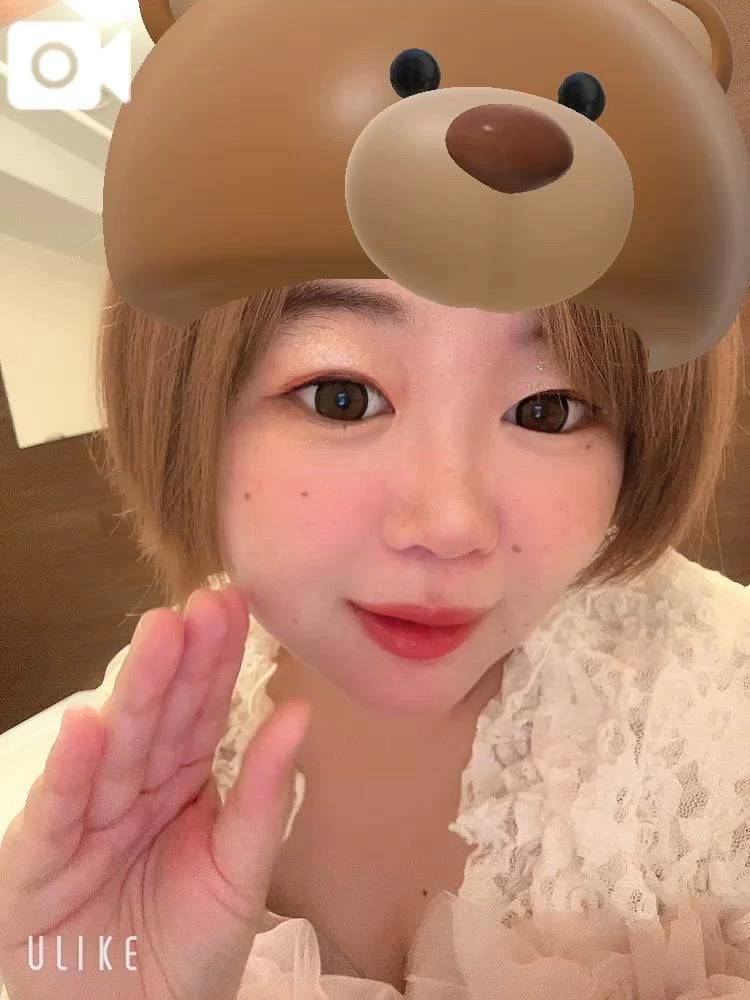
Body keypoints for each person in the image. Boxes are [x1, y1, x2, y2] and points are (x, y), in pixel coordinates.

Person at [0, 276, 748, 999]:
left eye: (547, 410)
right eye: (342, 398)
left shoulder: (726, 718)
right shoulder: (135, 760)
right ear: (193, 409)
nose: (451, 525)